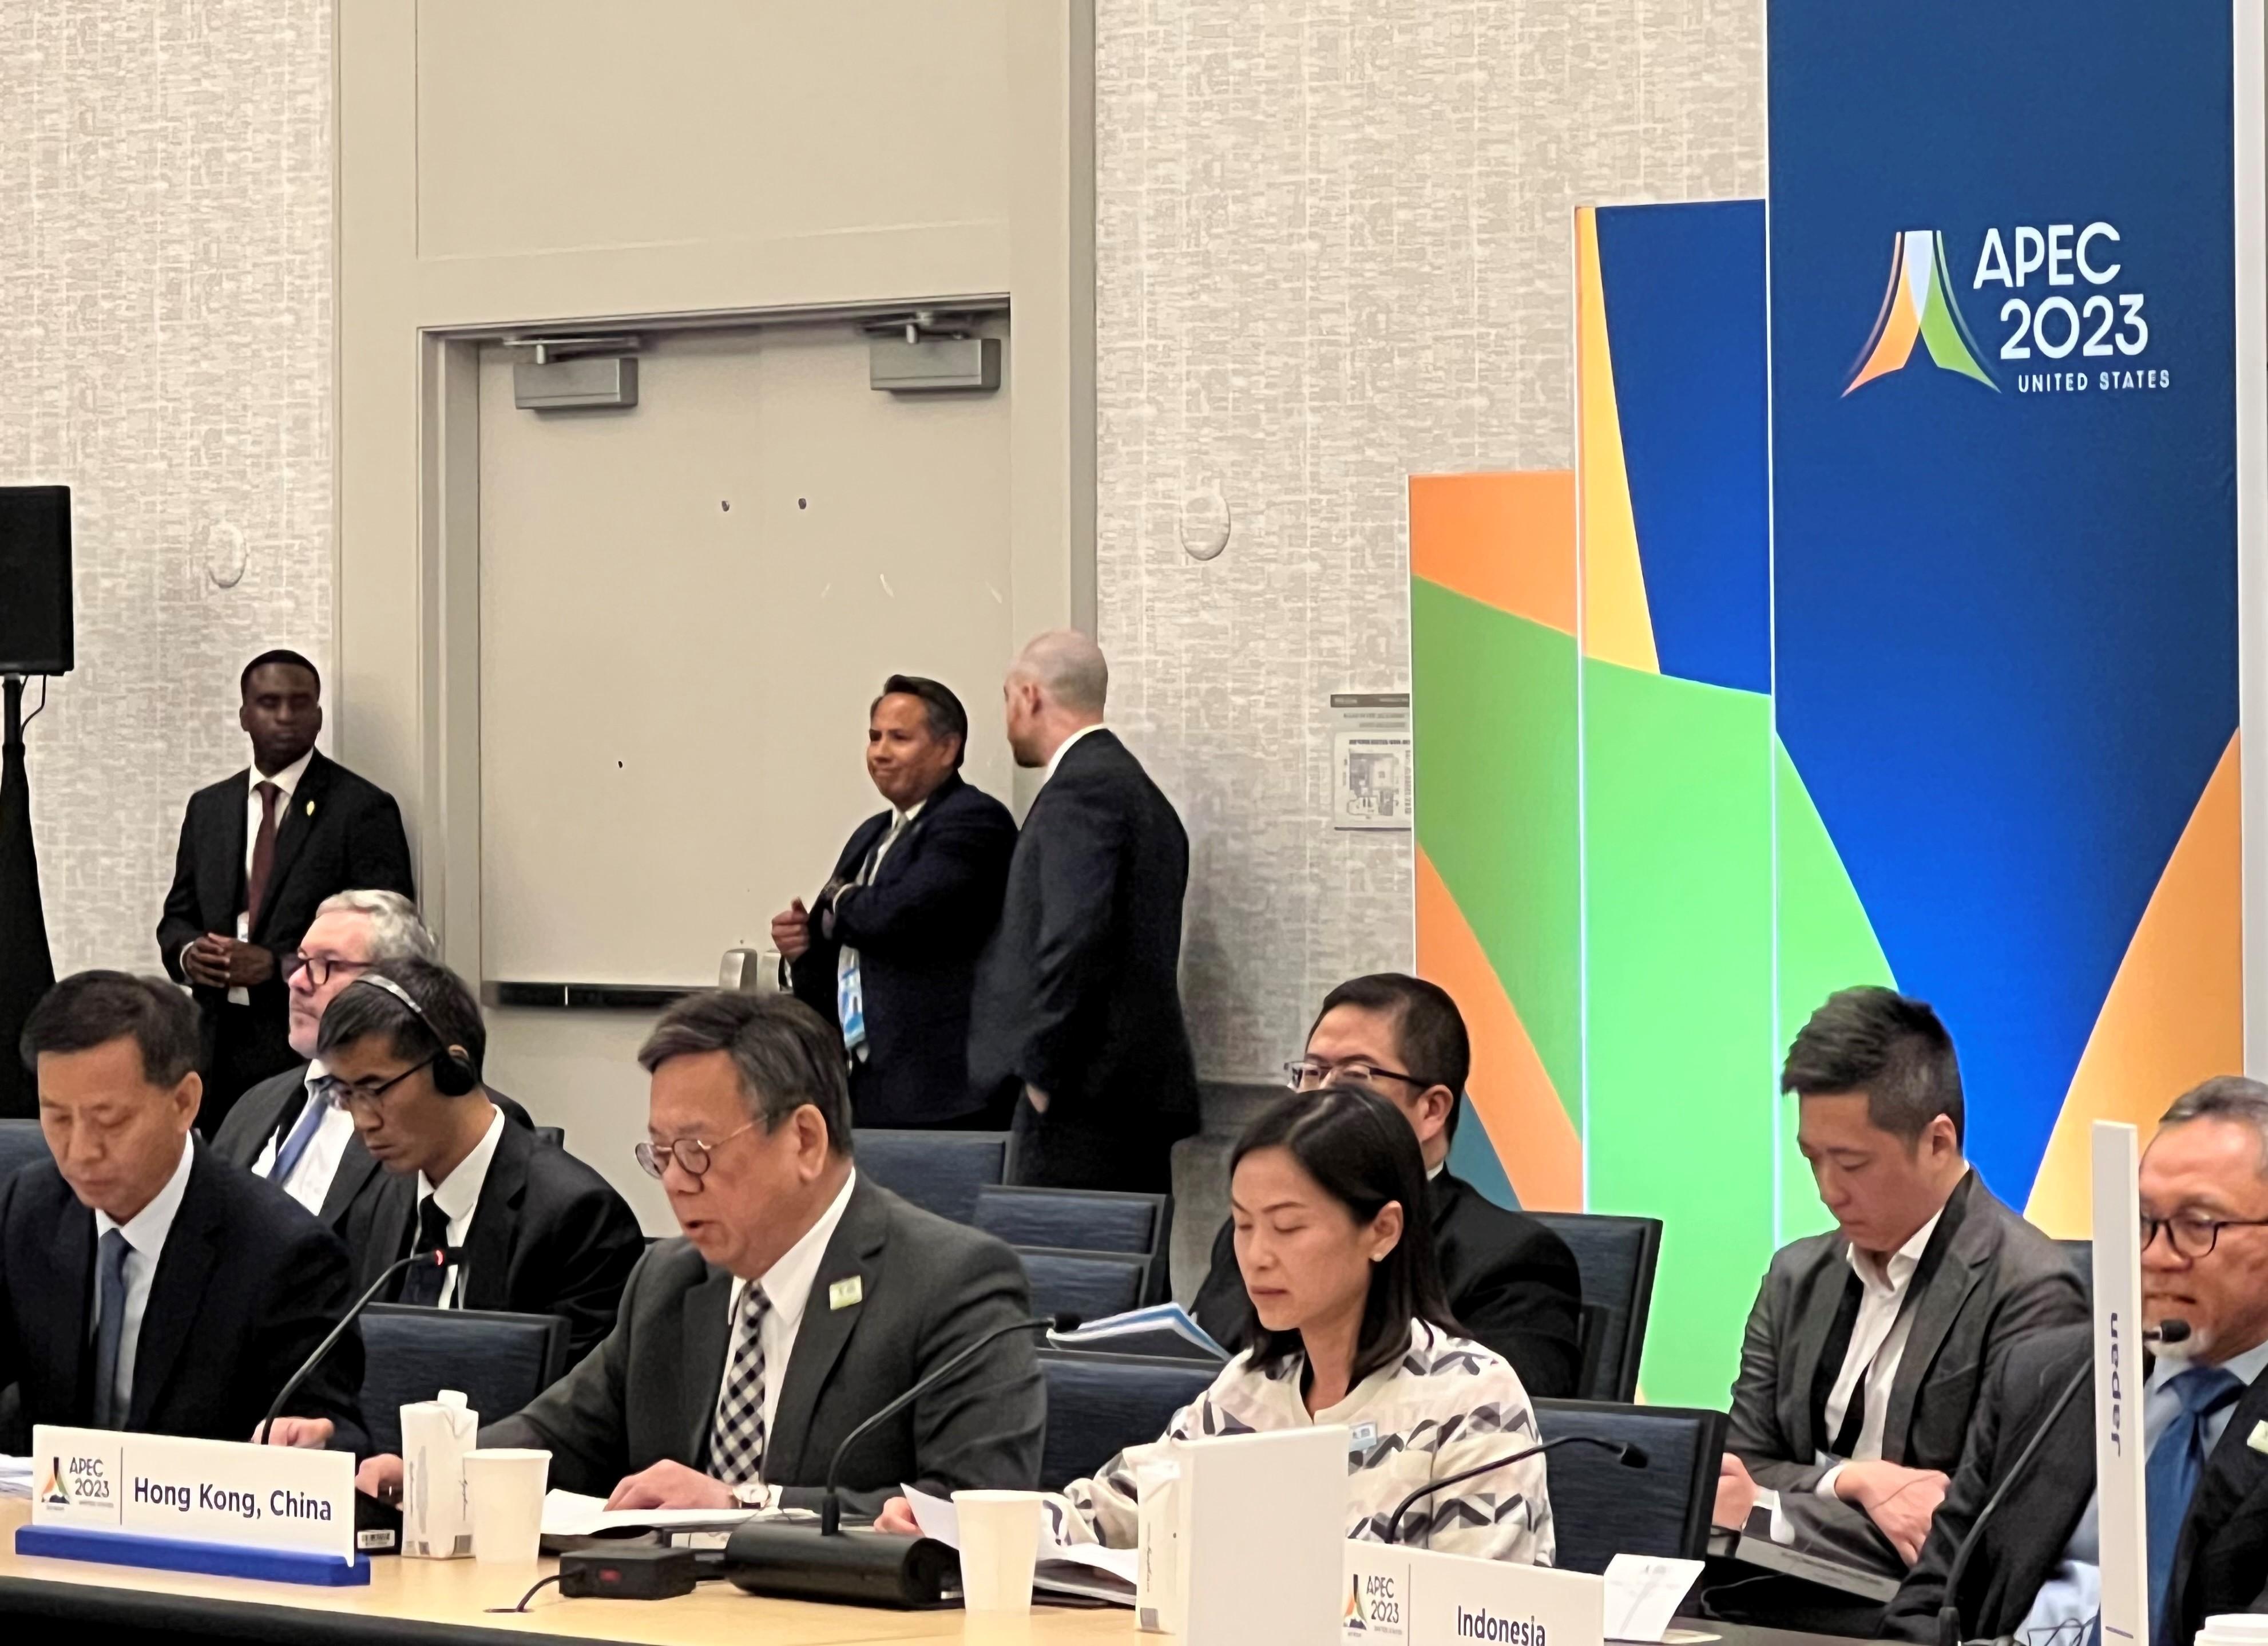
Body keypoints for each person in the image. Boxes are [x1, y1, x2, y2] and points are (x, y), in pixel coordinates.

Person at [348, 991, 1044, 1518]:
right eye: (661, 1152)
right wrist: (439, 1468)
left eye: (698, 1150)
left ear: (803, 1138)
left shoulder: (951, 1282)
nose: (676, 1181)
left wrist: (741, 1506)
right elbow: (560, 1429)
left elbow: (974, 1514)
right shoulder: (670, 1278)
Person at [878, 1086, 1556, 1561]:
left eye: (1289, 1226)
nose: (1257, 1255)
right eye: (1243, 1223)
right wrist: (959, 1526)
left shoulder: (1472, 1398)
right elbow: (1111, 1510)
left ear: (1381, 1230)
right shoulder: (1249, 1389)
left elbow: (1484, 1610)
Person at [1715, 987, 2088, 1593]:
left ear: (1938, 1142)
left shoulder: (2032, 1289)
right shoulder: (1795, 1275)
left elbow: (1975, 1529)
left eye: (1853, 1163)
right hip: (1761, 1587)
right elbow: (1740, 1467)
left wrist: (1771, 1512)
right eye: (1812, 1159)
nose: (1827, 1190)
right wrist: (1852, 1482)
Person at [1885, 1077, 2268, 1646]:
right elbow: (1923, 1607)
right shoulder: (2045, 1377)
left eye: (2198, 1225)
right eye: (2139, 1222)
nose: (2156, 1256)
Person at [0, 971, 364, 1451]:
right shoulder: (31, 1208)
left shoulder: (284, 1253)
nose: (80, 1150)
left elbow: (341, 1438)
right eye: (58, 1118)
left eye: (109, 1120)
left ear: (184, 1102)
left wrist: (312, 1442)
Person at [1190, 974, 1583, 1398]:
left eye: (1355, 1077)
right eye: (1312, 1072)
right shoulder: (1256, 1229)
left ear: (1431, 1110)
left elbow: (1507, 1422)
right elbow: (1209, 1363)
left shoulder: (1511, 1261)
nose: (1321, 1097)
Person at [318, 959, 644, 1364]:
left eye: (375, 1089)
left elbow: (567, 1412)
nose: (362, 1120)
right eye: (345, 1095)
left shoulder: (579, 1219)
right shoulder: (374, 1198)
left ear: (453, 1070)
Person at [966, 630, 1200, 1190]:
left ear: (1029, 695)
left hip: (1081, 1101)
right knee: (1125, 1272)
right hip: (1120, 1095)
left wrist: (1042, 1074)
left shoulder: (1083, 791)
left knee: (1067, 1269)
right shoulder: (1137, 791)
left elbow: (1075, 937)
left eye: (1006, 697)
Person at [157, 650, 415, 1131]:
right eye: (269, 703)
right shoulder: (208, 808)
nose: (284, 717)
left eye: (300, 704)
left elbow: (390, 940)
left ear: (318, 717)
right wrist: (190, 953)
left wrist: (276, 966)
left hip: (310, 1044)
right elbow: (177, 918)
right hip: (214, 1043)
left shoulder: (362, 809)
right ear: (244, 715)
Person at [772, 675, 1016, 1128]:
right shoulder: (870, 834)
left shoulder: (974, 821)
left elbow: (895, 917)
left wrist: (841, 901)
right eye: (874, 737)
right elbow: (844, 947)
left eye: (899, 738)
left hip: (948, 1098)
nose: (880, 752)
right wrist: (804, 951)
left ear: (947, 749)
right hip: (869, 1087)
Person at [209, 889, 440, 1226]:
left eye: (328, 965)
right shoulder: (255, 1104)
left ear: (396, 984)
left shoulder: (431, 1121)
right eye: (300, 962)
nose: (298, 983)